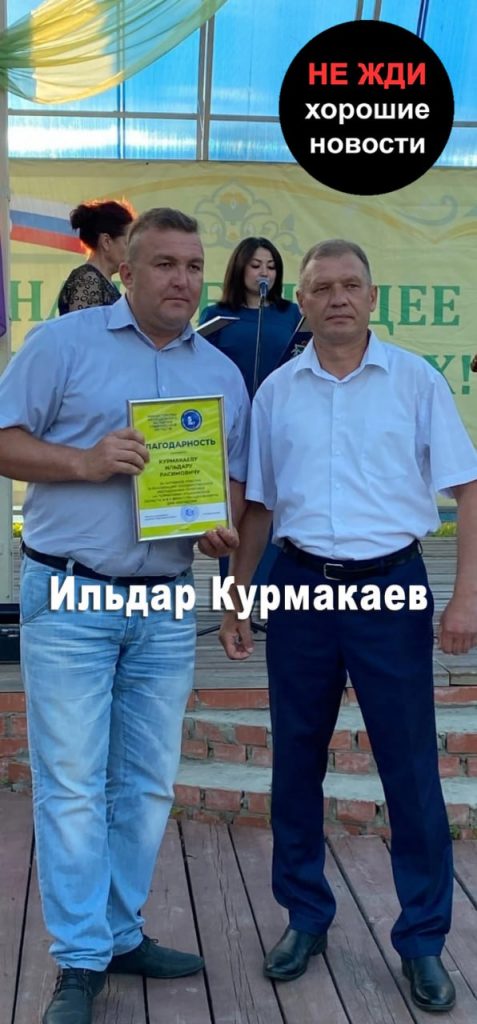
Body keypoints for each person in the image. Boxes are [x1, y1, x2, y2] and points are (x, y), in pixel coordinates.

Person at [0, 208, 250, 1024]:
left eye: (194, 265)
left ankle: (116, 932)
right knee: (73, 783)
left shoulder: (220, 373)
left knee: (144, 784)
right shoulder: (62, 344)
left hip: (165, 600)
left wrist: (217, 532)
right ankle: (79, 959)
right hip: (71, 592)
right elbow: (2, 440)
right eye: (166, 264)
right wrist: (84, 461)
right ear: (128, 271)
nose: (183, 280)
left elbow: (229, 488)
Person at [220, 239, 477, 1014]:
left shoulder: (415, 381)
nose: (336, 297)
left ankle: (422, 939)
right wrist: (235, 595)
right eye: (321, 287)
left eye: (349, 285)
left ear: (371, 296)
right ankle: (305, 916)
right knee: (295, 762)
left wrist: (464, 600)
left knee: (409, 768)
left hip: (390, 587)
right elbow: (256, 506)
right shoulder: (276, 393)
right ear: (300, 301)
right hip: (299, 587)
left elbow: (467, 490)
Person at [199, 236, 307, 398]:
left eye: (271, 267)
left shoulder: (291, 313)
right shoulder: (216, 314)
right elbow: (203, 365)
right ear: (239, 269)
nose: (264, 273)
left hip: (280, 400)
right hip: (231, 401)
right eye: (256, 266)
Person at [57, 199, 134, 314]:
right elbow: (85, 324)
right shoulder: (87, 280)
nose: (132, 250)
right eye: (127, 243)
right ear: (106, 241)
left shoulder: (100, 281)